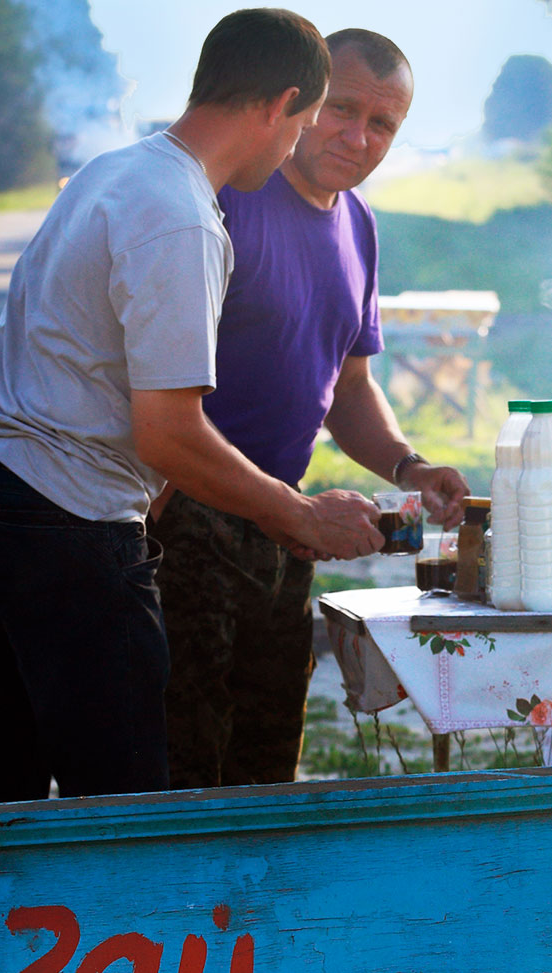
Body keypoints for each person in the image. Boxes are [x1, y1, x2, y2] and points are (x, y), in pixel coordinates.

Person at [0, 9, 381, 810]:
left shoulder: (112, 171)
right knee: (130, 800)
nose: (290, 149)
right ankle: (130, 936)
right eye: (306, 121)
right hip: (61, 519)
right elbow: (167, 432)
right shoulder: (182, 219)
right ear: (278, 105)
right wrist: (299, 516)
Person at [155, 27, 468, 789]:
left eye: (383, 124)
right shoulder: (225, 193)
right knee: (177, 767)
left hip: (283, 530)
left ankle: (252, 910)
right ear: (300, 101)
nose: (358, 137)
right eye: (344, 110)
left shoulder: (358, 226)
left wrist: (409, 465)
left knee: (265, 772)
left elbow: (349, 389)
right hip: (179, 516)